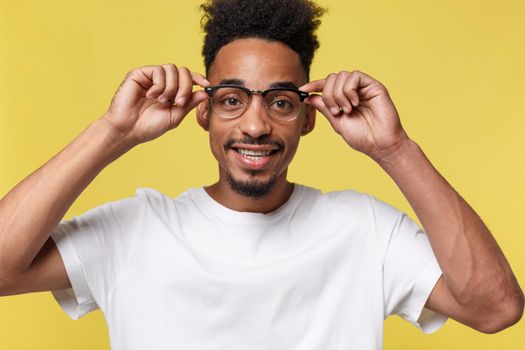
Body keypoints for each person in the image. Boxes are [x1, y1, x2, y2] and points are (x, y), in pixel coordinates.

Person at [0, 0, 523, 349]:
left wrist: (395, 149)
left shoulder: (363, 229)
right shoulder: (135, 228)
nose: (255, 124)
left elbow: (496, 308)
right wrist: (114, 131)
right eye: (231, 100)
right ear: (201, 112)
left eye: (279, 101)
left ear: (308, 117)